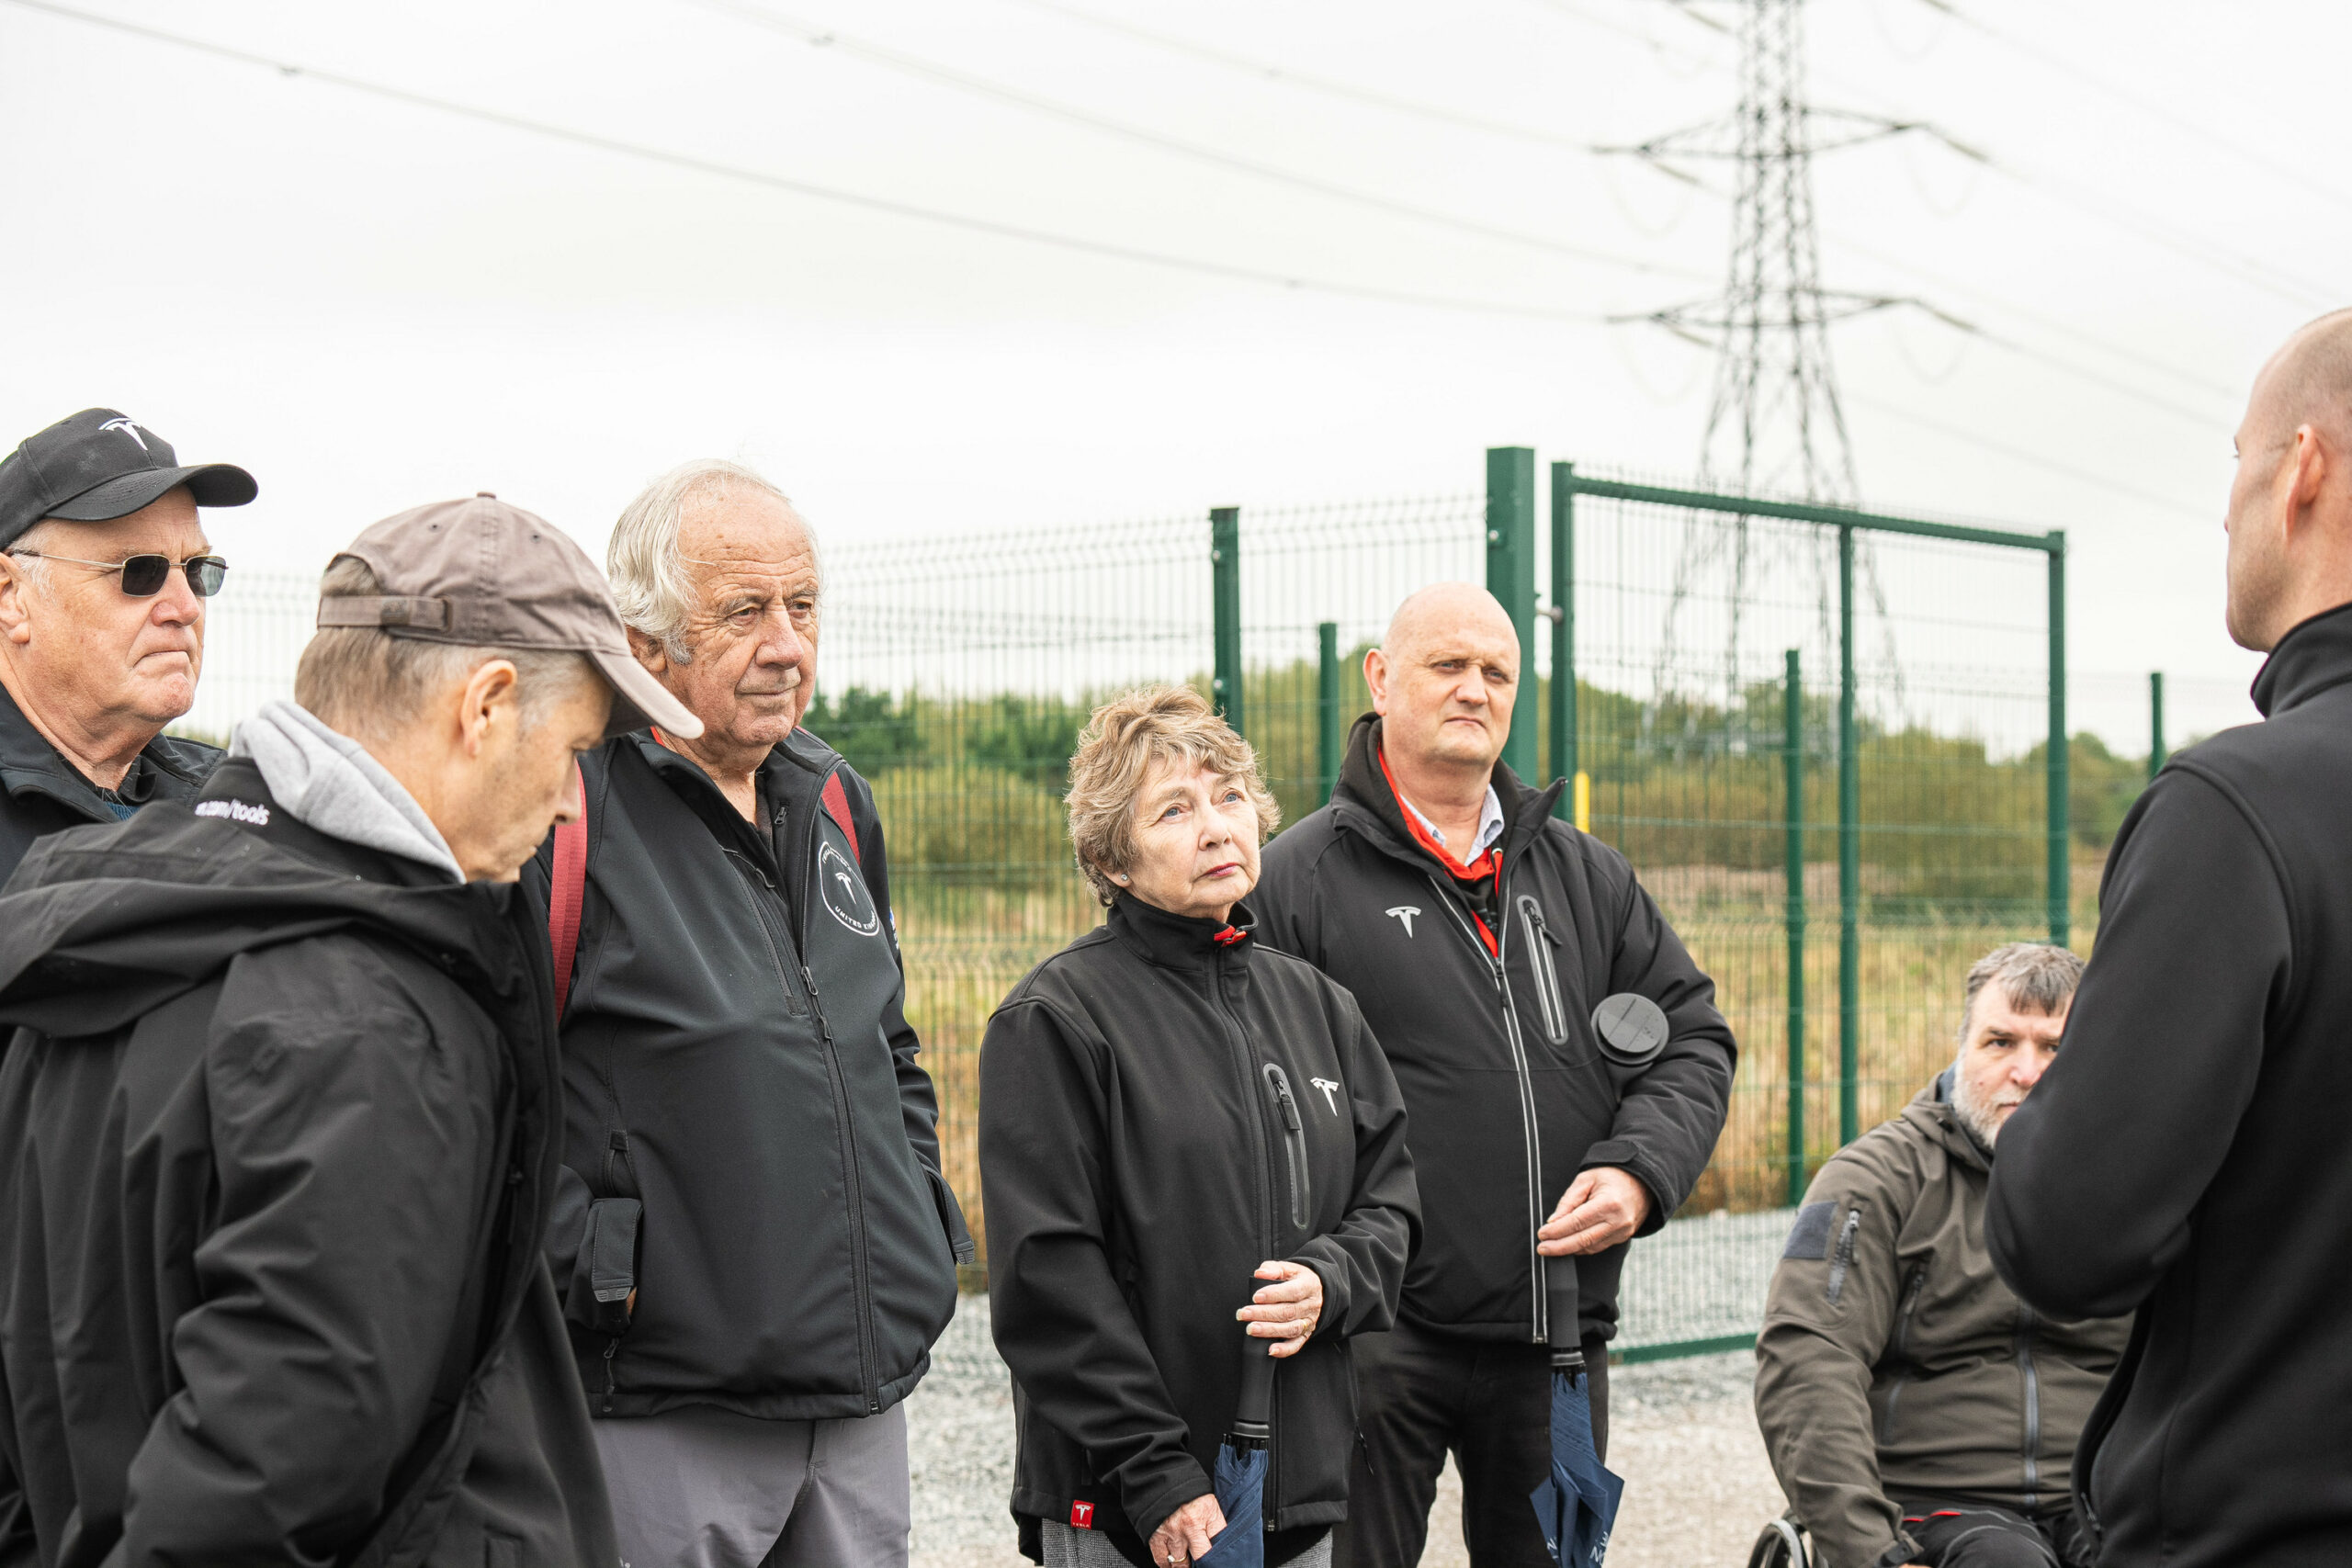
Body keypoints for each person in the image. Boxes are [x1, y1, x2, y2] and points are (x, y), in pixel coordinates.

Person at [0, 492, 701, 1563]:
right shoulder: (367, 1022)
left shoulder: (126, 910)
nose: (570, 807)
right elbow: (271, 1474)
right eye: (570, 753)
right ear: (485, 706)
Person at [523, 458, 971, 1568]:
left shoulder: (831, 796)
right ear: (643, 641)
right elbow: (488, 1087)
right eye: (743, 612)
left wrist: (915, 1210)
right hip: (665, 1410)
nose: (788, 644)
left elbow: (884, 1042)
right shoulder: (562, 809)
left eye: (803, 606)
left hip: (858, 1403)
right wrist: (604, 1274)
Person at [1251, 581, 1736, 1568]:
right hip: (1369, 1340)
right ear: (1381, 679)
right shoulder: (1293, 881)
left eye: (1496, 672)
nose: (1474, 688)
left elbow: (1692, 1035)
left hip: (1555, 1334)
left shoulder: (1585, 875)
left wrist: (1641, 1170)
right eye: (1447, 665)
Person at [1987, 309, 2352, 1568]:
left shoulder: (2243, 809)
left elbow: (2072, 1233)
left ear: (2301, 470)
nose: (2230, 512)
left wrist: (2039, 1120)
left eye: (2239, 464)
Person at [981, 684, 1419, 1568]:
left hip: (1298, 1493)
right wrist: (1158, 1475)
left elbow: (1393, 1204)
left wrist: (1331, 1281)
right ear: (1112, 858)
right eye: (1174, 809)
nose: (1218, 826)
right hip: (1139, 1509)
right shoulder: (1057, 1019)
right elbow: (1048, 1279)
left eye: (1228, 798)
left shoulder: (1320, 1006)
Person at [1755, 943, 2127, 1568]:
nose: (2027, 1071)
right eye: (2000, 1042)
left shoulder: (2140, 1182)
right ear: (1963, 1048)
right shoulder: (1871, 1182)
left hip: (2104, 1495)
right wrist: (1871, 1551)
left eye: (2055, 1047)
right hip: (1932, 1505)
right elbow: (1808, 1359)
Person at [0, 406, 255, 881]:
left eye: (198, 569)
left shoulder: (233, 805)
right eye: (139, 571)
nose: (186, 607)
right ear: (12, 597)